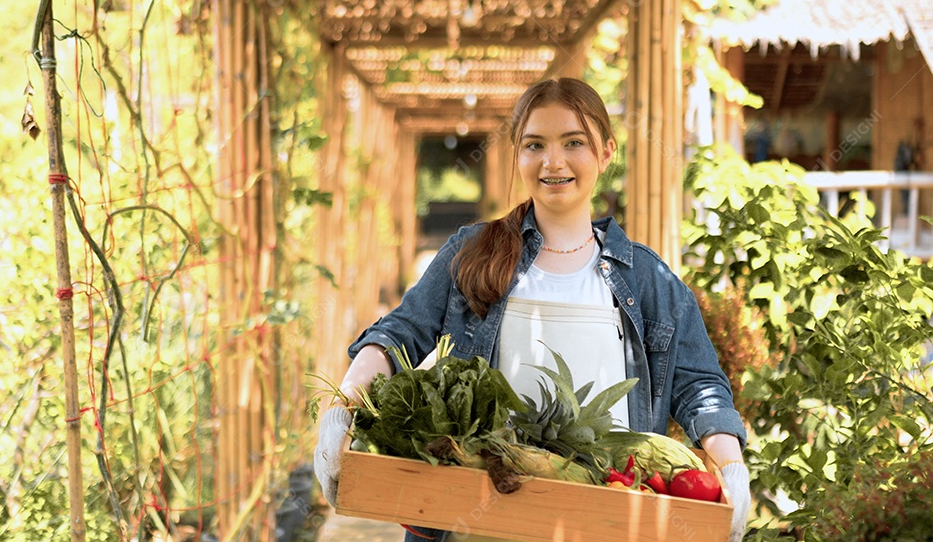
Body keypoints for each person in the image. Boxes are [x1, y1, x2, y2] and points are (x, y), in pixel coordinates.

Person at [314, 78, 751, 542]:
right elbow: (398, 334)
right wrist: (342, 408)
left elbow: (699, 386)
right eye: (534, 144)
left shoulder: (646, 278)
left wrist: (730, 466)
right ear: (517, 155)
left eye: (573, 142)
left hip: (607, 518)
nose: (553, 161)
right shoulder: (472, 252)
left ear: (605, 153)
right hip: (477, 521)